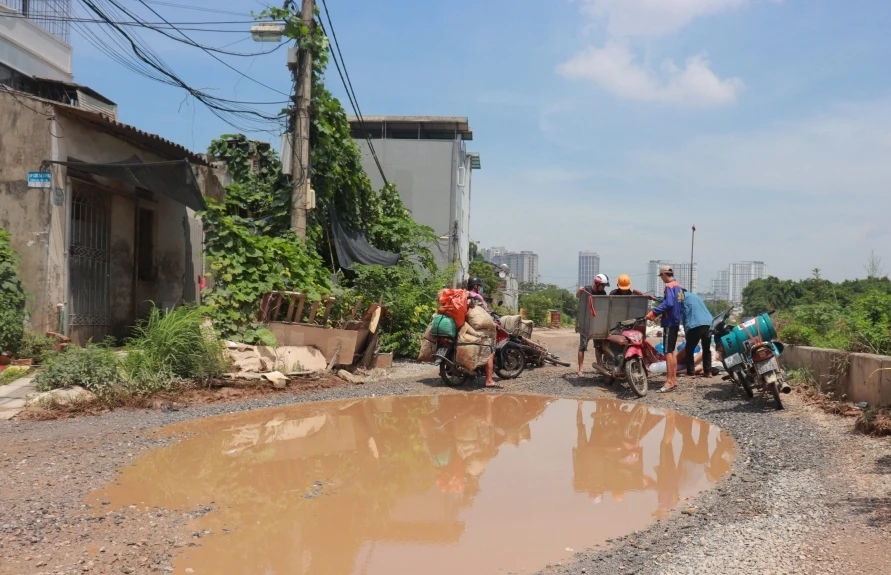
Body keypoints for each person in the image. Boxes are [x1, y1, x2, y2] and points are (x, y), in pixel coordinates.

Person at [645, 265, 685, 392]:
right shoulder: (678, 286)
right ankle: (674, 380)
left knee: (668, 352)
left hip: (669, 322)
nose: (661, 278)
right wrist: (656, 298)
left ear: (664, 274)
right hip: (676, 321)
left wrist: (653, 313)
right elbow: (673, 301)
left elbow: (668, 303)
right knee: (671, 352)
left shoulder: (668, 286)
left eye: (661, 276)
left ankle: (669, 381)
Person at [466, 277, 498, 387]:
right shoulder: (477, 296)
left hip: (468, 326)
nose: (479, 288)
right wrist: (493, 321)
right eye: (478, 286)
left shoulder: (466, 296)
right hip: (477, 328)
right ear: (475, 286)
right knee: (489, 352)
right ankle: (489, 380)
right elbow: (485, 312)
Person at [576, 274, 609, 377]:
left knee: (598, 346)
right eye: (602, 285)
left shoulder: (603, 293)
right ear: (597, 283)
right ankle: (581, 369)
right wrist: (579, 291)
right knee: (582, 346)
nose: (603, 288)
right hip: (586, 322)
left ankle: (599, 366)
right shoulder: (586, 289)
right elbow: (577, 296)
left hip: (597, 322)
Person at [681, 289, 713, 377]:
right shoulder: (695, 296)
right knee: (706, 348)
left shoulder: (681, 296)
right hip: (708, 323)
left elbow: (684, 315)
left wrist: (686, 331)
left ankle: (691, 372)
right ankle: (708, 371)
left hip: (695, 324)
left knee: (689, 349)